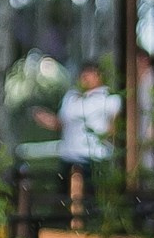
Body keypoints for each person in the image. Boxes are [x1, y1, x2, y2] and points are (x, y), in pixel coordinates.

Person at [33, 61, 121, 218]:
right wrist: (45, 119)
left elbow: (113, 127)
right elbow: (61, 123)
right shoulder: (71, 97)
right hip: (69, 154)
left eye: (90, 73)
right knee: (65, 196)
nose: (86, 77)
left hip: (93, 156)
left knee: (91, 198)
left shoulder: (109, 99)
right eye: (83, 74)